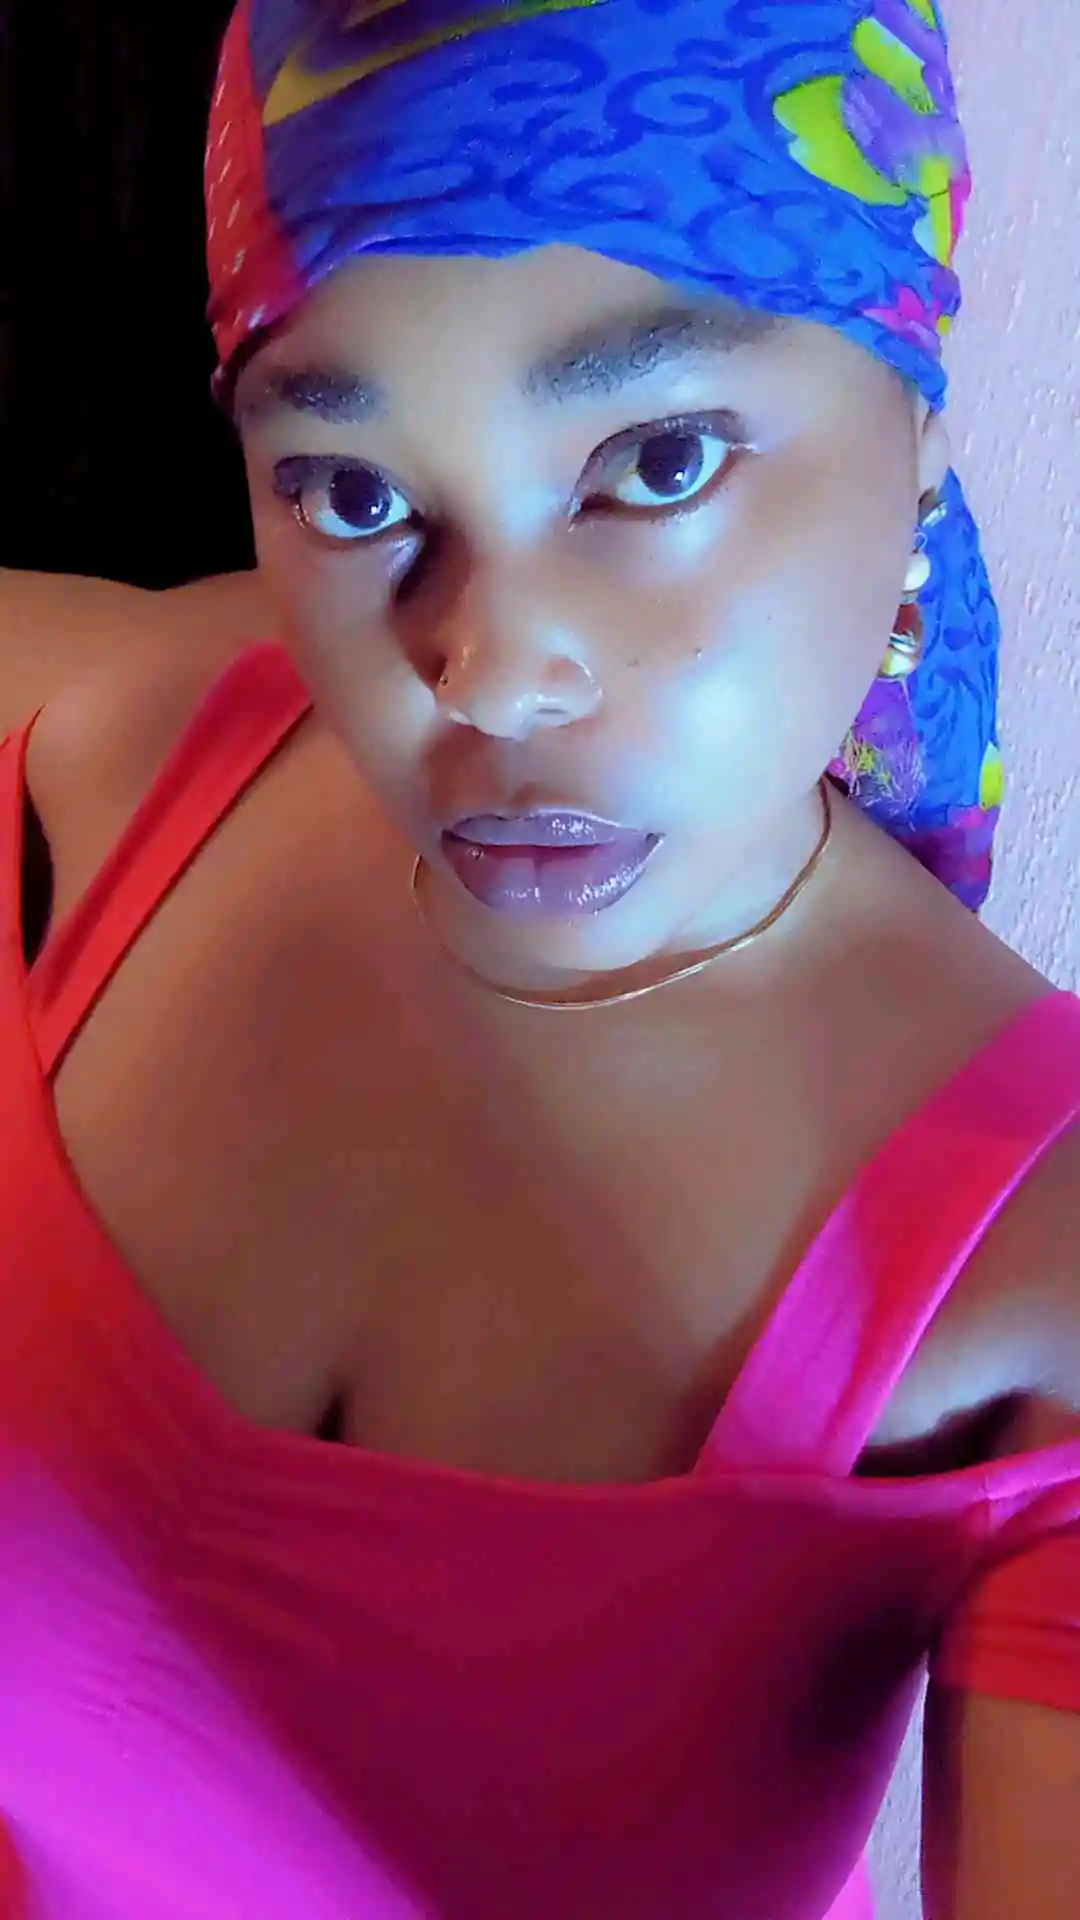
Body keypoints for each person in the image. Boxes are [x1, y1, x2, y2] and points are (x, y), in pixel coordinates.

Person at [1, 2, 1079, 1915]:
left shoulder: (1038, 1268)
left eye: (656, 461)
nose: (488, 675)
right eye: (350, 492)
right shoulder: (167, 747)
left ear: (917, 428)